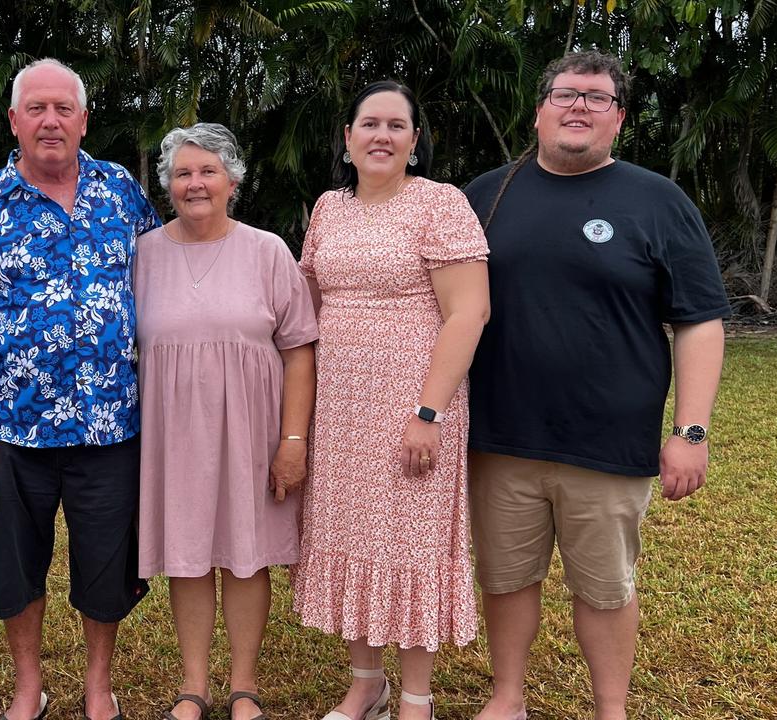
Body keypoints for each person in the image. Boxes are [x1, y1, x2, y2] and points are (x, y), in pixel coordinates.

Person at [462, 51, 729, 720]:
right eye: (564, 93)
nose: (578, 105)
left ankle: (611, 709)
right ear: (539, 110)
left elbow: (699, 322)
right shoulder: (483, 196)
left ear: (619, 120)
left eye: (597, 97)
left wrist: (690, 431)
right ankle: (507, 697)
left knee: (605, 588)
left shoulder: (658, 202)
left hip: (609, 438)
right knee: (506, 577)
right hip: (501, 436)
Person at [0, 58, 161, 720]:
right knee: (18, 567)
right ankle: (26, 686)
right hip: (18, 424)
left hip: (112, 424)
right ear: (13, 120)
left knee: (106, 566)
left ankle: (99, 687)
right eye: (36, 108)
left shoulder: (122, 192)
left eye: (63, 108)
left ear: (83, 120)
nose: (50, 120)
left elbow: (160, 283)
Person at [291, 81, 491, 720]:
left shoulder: (440, 204)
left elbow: (469, 312)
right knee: (350, 538)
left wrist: (428, 412)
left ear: (414, 142)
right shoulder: (328, 208)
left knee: (409, 545)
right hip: (340, 409)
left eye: (397, 126)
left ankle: (415, 698)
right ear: (347, 140)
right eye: (369, 124)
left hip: (415, 406)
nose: (382, 136)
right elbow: (311, 305)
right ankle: (365, 683)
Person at [135, 123, 318, 720]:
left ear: (233, 180)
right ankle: (194, 687)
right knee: (186, 557)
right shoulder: (142, 254)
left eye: (207, 171)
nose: (195, 184)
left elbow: (298, 350)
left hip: (251, 432)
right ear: (167, 185)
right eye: (182, 173)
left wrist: (292, 442)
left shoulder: (266, 250)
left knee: (245, 556)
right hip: (173, 435)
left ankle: (244, 687)